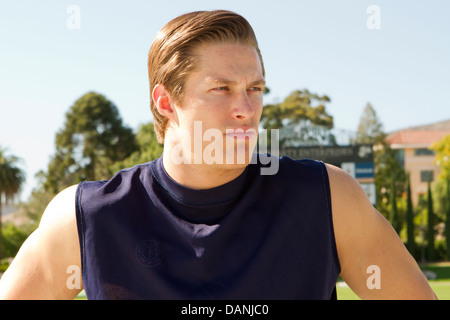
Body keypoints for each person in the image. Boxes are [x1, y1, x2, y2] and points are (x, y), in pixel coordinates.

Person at [0, 10, 436, 300]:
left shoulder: (327, 197)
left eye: (254, 89)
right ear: (166, 102)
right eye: (221, 89)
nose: (245, 108)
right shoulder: (86, 216)